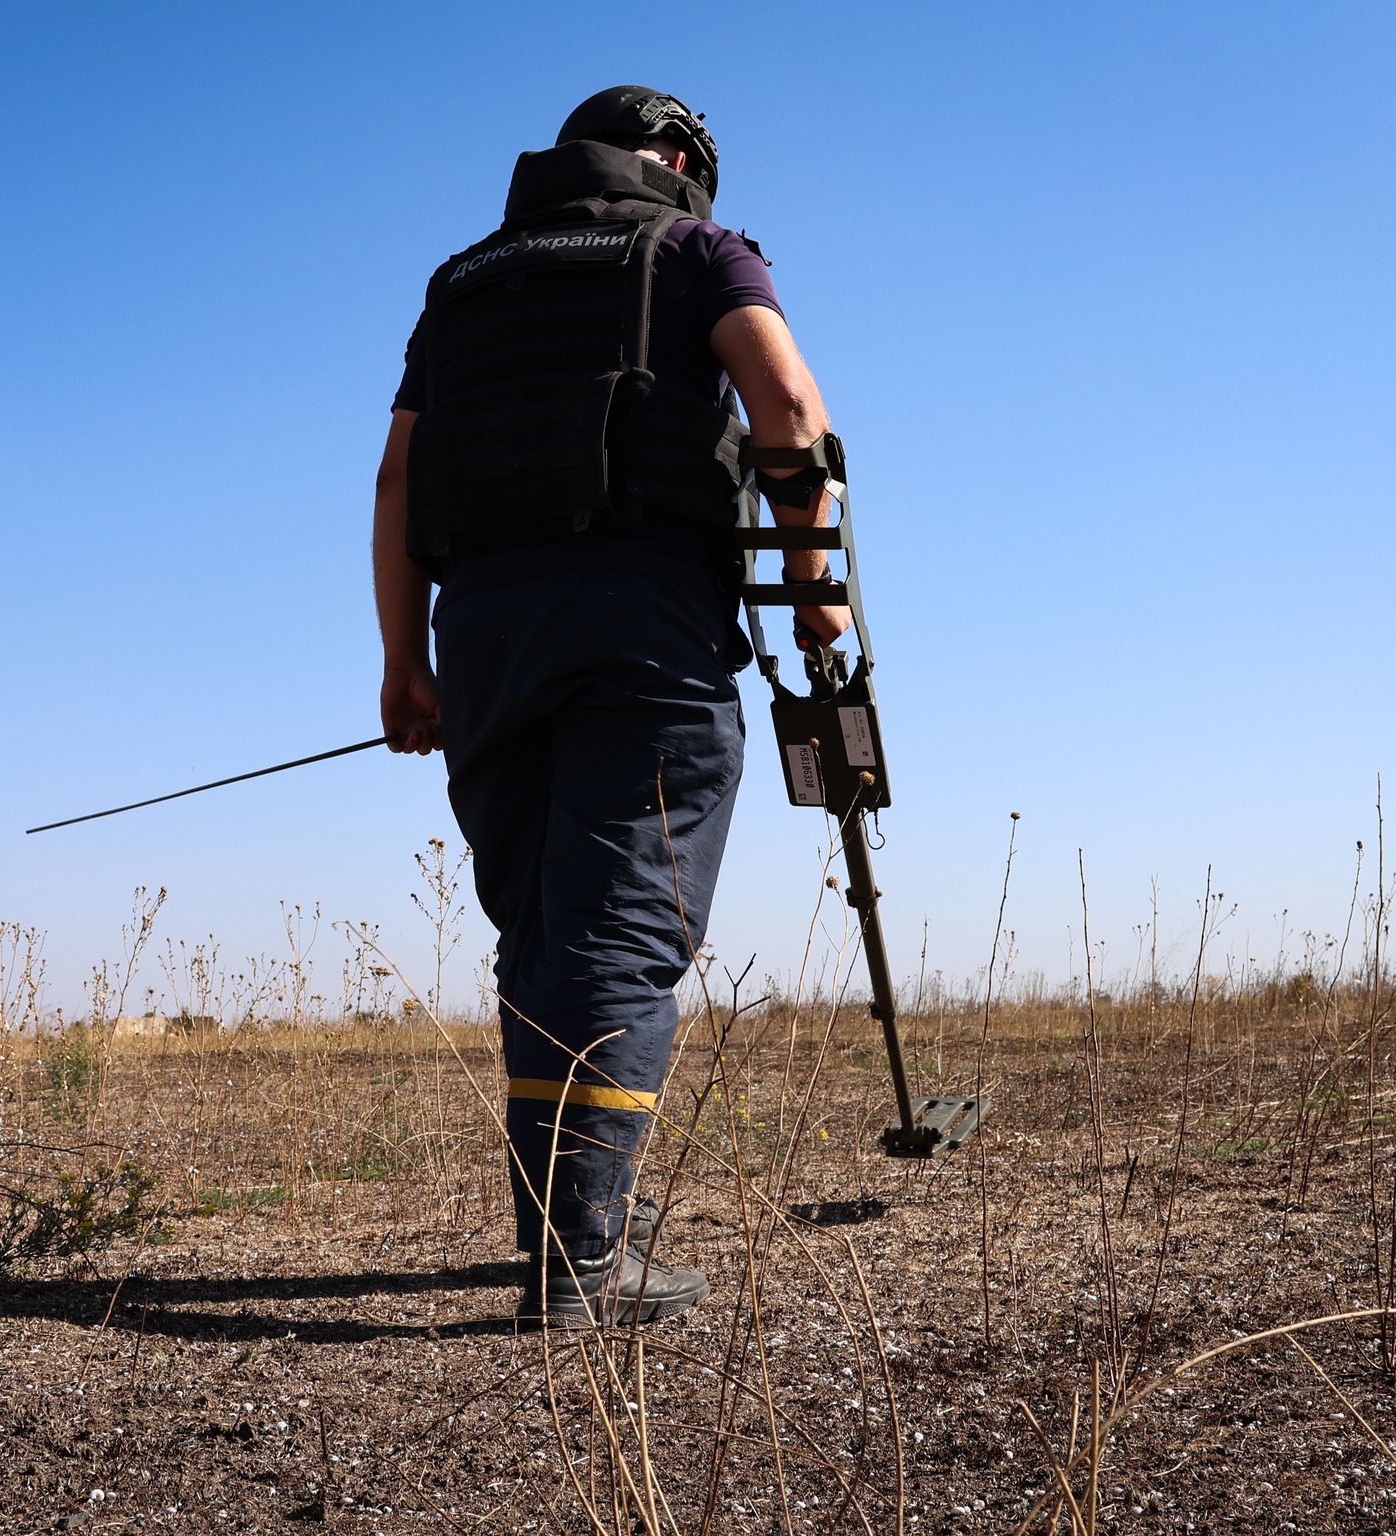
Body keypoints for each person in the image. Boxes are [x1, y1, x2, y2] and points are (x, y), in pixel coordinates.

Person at [372, 87, 850, 1325]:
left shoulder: (463, 282)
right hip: (641, 616)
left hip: (477, 632)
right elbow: (789, 411)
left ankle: (557, 1234)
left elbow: (398, 475)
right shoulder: (698, 249)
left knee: (541, 928)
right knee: (624, 926)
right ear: (683, 164)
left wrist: (401, 666)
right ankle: (583, 1261)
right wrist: (816, 595)